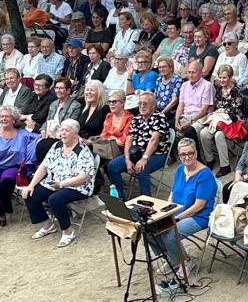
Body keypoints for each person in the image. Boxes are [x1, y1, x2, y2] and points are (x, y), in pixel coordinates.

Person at [150, 138, 219, 293]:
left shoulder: (204, 174)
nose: (187, 157)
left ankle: (185, 262)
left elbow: (198, 206)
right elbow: (173, 193)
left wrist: (177, 218)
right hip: (177, 212)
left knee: (170, 233)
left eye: (190, 153)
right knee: (149, 230)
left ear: (196, 153)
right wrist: (165, 211)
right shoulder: (180, 170)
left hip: (198, 216)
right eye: (183, 155)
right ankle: (172, 258)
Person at [22, 119, 97, 248]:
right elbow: (44, 166)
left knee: (55, 199)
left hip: (77, 186)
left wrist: (62, 184)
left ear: (75, 134)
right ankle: (47, 226)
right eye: (61, 130)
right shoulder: (56, 146)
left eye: (66, 130)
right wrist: (31, 185)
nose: (62, 133)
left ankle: (68, 232)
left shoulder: (82, 151)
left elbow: (83, 177)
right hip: (54, 182)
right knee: (30, 194)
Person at [106, 90, 169, 198]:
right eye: (140, 103)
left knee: (142, 169)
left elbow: (154, 140)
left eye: (145, 104)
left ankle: (146, 203)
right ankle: (120, 198)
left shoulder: (159, 117)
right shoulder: (136, 119)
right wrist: (127, 159)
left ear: (153, 106)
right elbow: (129, 140)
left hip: (157, 154)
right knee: (112, 166)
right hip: (136, 153)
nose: (142, 106)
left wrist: (144, 158)